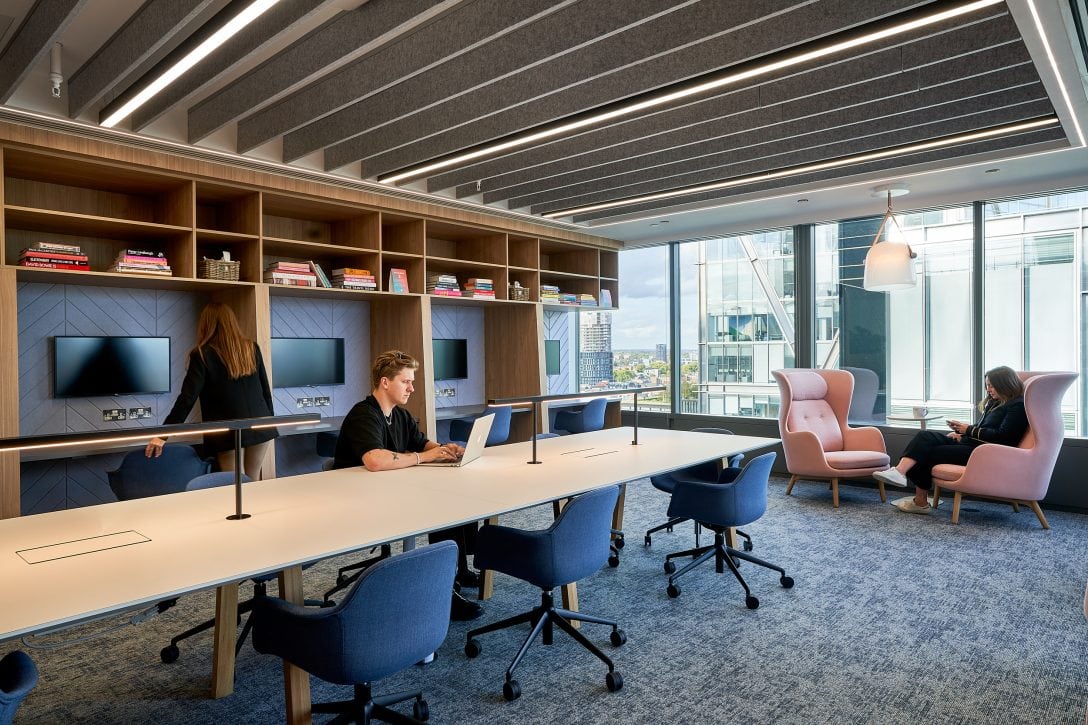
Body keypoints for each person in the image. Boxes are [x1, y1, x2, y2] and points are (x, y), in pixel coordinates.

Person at [333, 349, 484, 621]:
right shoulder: (364, 415)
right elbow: (375, 460)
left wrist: (443, 449)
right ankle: (444, 591)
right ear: (385, 382)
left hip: (390, 492)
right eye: (406, 381)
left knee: (454, 495)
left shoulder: (400, 415)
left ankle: (457, 571)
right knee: (441, 505)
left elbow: (421, 443)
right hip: (359, 500)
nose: (412, 388)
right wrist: (424, 457)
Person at [145, 302, 277, 480]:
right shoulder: (251, 348)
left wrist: (163, 436)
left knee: (234, 484)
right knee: (251, 480)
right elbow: (265, 390)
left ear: (206, 324)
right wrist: (271, 421)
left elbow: (187, 398)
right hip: (261, 424)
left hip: (227, 430)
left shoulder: (202, 354)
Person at [873, 366, 1027, 515]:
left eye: (991, 386)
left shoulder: (1017, 406)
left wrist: (968, 430)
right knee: (924, 437)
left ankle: (920, 502)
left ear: (1004, 385)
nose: (988, 390)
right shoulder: (996, 403)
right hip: (972, 444)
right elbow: (986, 429)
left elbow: (1004, 438)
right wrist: (962, 432)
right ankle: (899, 471)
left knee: (925, 453)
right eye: (987, 385)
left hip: (984, 454)